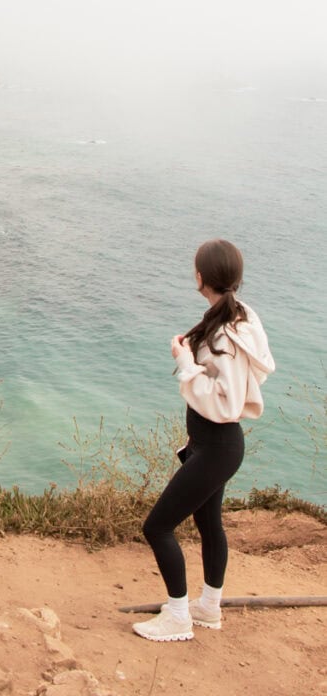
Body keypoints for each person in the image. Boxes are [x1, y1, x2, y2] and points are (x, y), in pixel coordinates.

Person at [132, 238, 275, 642]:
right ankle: (208, 607)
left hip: (217, 446)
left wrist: (185, 364)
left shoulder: (226, 335)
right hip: (215, 445)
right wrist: (195, 352)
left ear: (199, 277)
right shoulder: (239, 319)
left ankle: (178, 616)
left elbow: (226, 403)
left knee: (157, 527)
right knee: (208, 523)